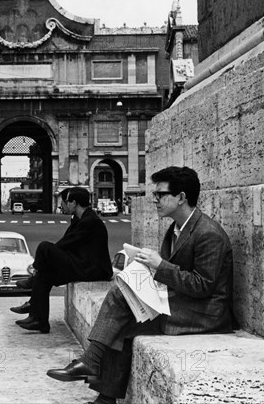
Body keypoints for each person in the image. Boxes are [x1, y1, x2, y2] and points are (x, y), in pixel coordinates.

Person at [46, 166, 235, 404]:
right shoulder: (177, 227)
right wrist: (144, 269)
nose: (154, 200)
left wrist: (159, 266)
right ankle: (102, 392)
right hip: (183, 302)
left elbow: (203, 285)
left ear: (181, 197)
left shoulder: (209, 233)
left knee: (120, 306)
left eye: (160, 194)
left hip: (204, 313)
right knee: (122, 309)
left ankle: (92, 364)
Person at [13, 187, 113, 333]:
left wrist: (51, 253)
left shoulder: (90, 221)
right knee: (44, 276)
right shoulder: (79, 219)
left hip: (92, 269)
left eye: (65, 202)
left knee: (44, 247)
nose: (63, 206)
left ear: (74, 203)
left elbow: (65, 243)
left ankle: (32, 283)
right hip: (82, 264)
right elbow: (67, 243)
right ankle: (39, 320)